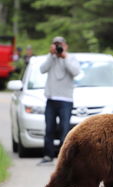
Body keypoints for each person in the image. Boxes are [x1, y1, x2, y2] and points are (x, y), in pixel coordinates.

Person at [38, 36, 80, 164]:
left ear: (65, 46)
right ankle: (48, 156)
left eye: (60, 44)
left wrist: (64, 57)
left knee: (64, 128)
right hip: (51, 99)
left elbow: (75, 72)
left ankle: (64, 157)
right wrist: (51, 56)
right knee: (49, 128)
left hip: (65, 100)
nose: (58, 47)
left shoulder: (71, 58)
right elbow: (42, 69)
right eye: (55, 45)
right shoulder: (51, 58)